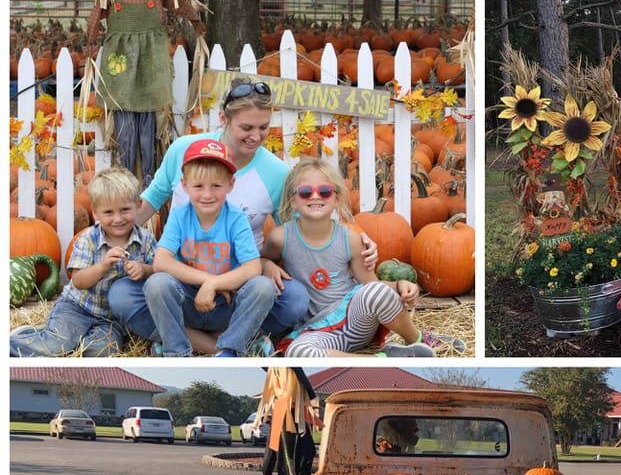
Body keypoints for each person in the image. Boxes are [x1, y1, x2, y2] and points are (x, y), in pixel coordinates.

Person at [107, 76, 377, 353]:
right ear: (224, 118)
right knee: (122, 296)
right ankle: (221, 346)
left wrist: (354, 240)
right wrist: (101, 234)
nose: (256, 136)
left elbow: (301, 229)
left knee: (294, 299)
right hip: (181, 284)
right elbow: (150, 201)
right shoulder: (184, 152)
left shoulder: (275, 173)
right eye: (246, 127)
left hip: (238, 288)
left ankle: (194, 336)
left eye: (263, 127)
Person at [262, 157, 465, 358]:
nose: (315, 197)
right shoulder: (281, 237)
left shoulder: (349, 238)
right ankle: (384, 359)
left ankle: (418, 338)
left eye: (324, 191)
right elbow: (261, 261)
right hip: (318, 331)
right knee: (297, 352)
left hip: (355, 320)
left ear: (336, 199)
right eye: (306, 192)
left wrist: (399, 285)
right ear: (293, 200)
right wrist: (268, 265)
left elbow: (370, 285)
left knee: (375, 292)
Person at [143, 138, 274, 357]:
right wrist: (206, 281)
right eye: (198, 186)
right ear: (184, 185)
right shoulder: (179, 216)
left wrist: (215, 284)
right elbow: (161, 262)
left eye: (216, 186)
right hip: (188, 299)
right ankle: (176, 351)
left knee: (263, 287)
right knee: (157, 284)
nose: (207, 194)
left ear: (230, 184)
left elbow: (252, 268)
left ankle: (230, 348)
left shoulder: (236, 219)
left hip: (225, 301)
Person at [11, 167, 156, 357]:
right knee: (56, 346)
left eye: (125, 210)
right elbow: (78, 280)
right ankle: (19, 340)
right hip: (77, 308)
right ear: (95, 213)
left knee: (102, 352)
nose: (118, 218)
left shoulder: (146, 240)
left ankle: (63, 338)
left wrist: (144, 270)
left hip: (112, 321)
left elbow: (157, 270)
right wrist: (102, 266)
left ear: (138, 206)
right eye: (109, 212)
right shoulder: (88, 239)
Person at [86, 0, 206, 183]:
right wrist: (91, 37)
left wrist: (194, 18)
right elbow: (98, 8)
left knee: (151, 104)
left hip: (152, 48)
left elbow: (177, 0)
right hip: (119, 51)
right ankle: (125, 170)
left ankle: (150, 173)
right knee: (122, 103)